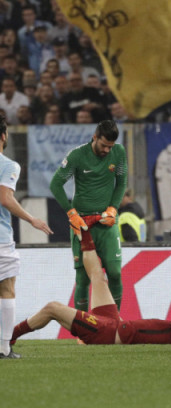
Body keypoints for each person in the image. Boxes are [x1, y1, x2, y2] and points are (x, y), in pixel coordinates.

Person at [10, 228, 171, 347]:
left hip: (107, 332)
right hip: (114, 323)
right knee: (98, 277)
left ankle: (9, 336)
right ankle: (84, 230)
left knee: (52, 308)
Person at [49, 120, 127, 318]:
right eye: (104, 145)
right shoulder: (77, 156)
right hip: (82, 224)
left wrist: (113, 208)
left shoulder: (119, 152)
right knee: (83, 279)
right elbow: (55, 184)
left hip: (107, 222)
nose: (107, 150)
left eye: (110, 146)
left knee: (115, 273)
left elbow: (121, 183)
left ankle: (114, 323)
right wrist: (71, 213)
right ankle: (82, 329)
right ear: (95, 137)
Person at [0, 116, 53, 359]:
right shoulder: (8, 165)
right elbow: (5, 197)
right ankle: (3, 348)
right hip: (1, 239)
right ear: (4, 136)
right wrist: (32, 219)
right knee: (6, 288)